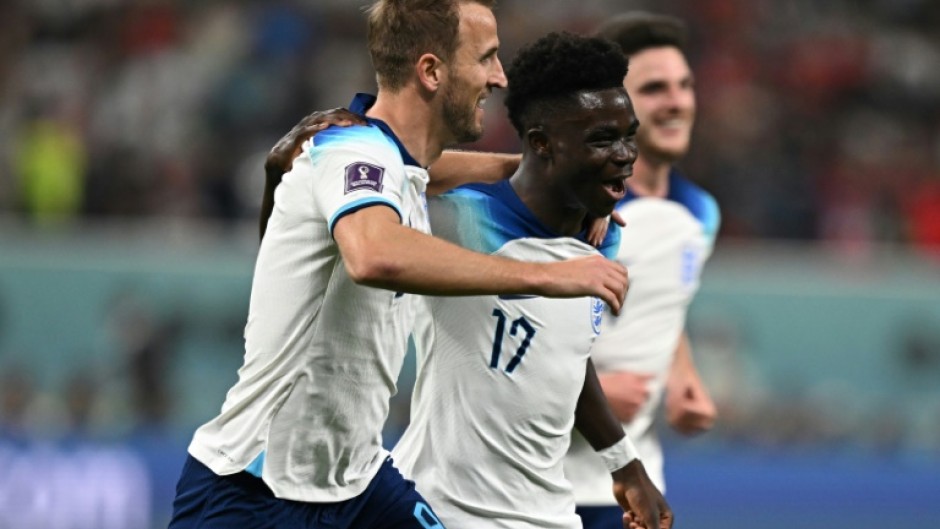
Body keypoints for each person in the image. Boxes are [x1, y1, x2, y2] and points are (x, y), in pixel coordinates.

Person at [168, 2, 630, 529]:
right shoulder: (351, 151)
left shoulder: (397, 166)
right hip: (254, 490)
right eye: (486, 58)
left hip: (357, 482)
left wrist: (572, 177)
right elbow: (375, 255)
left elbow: (444, 170)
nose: (499, 77)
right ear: (431, 71)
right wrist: (547, 276)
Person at [266, 32, 672, 529]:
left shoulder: (601, 237)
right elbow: (384, 185)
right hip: (436, 508)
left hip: (550, 514)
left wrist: (624, 463)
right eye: (602, 140)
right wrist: (302, 162)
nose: (626, 154)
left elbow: (563, 354)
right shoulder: (454, 218)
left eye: (629, 136)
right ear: (541, 144)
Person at [563, 13, 721, 529]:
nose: (676, 101)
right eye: (654, 89)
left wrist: (683, 374)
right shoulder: (567, 209)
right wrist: (583, 393)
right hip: (542, 488)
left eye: (684, 85)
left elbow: (666, 304)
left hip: (634, 487)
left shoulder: (699, 213)